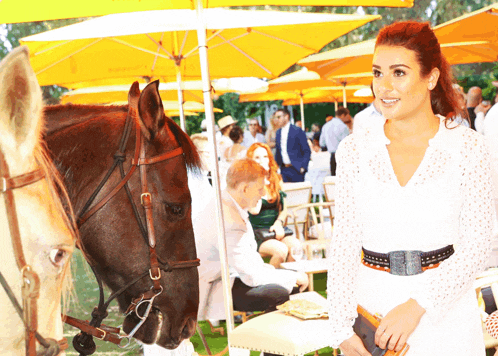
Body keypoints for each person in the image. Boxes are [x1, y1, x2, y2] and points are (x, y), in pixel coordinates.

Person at [328, 21, 495, 356]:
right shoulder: (353, 151)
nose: (384, 86)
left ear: (430, 78)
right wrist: (341, 327)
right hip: (372, 315)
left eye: (399, 72)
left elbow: (480, 241)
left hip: (445, 316)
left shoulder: (468, 147)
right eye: (377, 73)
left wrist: (418, 304)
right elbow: (343, 244)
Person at [195, 159, 309, 326]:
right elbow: (252, 276)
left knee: (287, 284)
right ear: (245, 189)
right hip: (214, 287)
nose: (263, 194)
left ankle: (275, 346)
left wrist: (282, 274)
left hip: (228, 277)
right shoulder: (229, 218)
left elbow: (249, 261)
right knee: (279, 292)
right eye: (260, 188)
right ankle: (272, 348)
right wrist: (292, 277)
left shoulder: (227, 203)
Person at [246, 143, 302, 268]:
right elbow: (254, 210)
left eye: (265, 157)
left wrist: (278, 223)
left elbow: (283, 208)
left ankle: (289, 282)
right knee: (280, 250)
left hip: (276, 230)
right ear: (251, 161)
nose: (262, 161)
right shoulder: (249, 181)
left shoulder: (276, 179)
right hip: (258, 233)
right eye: (257, 158)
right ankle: (271, 284)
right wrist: (260, 181)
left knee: (296, 247)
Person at [274, 108, 311, 182]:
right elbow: (278, 152)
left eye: (279, 117)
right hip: (284, 169)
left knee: (299, 192)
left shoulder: (297, 130)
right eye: (276, 117)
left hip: (296, 169)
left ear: (286, 117)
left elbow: (306, 150)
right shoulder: (278, 133)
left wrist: (303, 167)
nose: (277, 120)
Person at [319, 107, 350, 176]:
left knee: (334, 180)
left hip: (332, 157)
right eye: (348, 115)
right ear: (342, 115)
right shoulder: (343, 126)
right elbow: (347, 144)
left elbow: (322, 143)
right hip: (343, 156)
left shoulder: (325, 126)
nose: (349, 117)